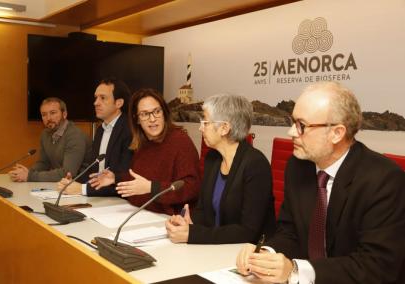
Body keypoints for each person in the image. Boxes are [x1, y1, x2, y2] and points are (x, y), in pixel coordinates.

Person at [236, 82, 405, 284]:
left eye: (302, 125)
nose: (290, 132)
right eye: (292, 122)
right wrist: (266, 254)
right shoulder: (298, 167)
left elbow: (376, 266)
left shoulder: (383, 179)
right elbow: (290, 232)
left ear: (337, 133)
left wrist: (296, 271)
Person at [165, 94, 276, 244]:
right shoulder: (213, 158)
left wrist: (193, 234)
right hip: (215, 248)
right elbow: (204, 210)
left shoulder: (255, 164)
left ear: (224, 128)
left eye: (205, 122)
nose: (200, 128)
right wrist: (188, 222)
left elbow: (248, 232)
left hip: (247, 254)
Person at [89, 88, 201, 215]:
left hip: (168, 219)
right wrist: (116, 178)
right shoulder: (143, 143)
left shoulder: (180, 141)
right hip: (139, 212)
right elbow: (141, 179)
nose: (152, 119)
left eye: (156, 111)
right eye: (144, 114)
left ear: (164, 113)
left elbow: (192, 187)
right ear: (137, 119)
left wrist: (151, 188)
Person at [57, 78, 133, 196]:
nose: (96, 103)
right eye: (96, 97)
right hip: (100, 198)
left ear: (119, 103)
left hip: (119, 202)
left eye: (102, 98)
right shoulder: (100, 130)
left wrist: (82, 189)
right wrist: (72, 182)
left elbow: (122, 179)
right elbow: (94, 172)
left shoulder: (130, 130)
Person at [9, 97, 92, 182]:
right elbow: (44, 163)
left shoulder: (75, 136)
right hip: (61, 186)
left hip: (80, 187)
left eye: (53, 113)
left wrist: (30, 176)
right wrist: (27, 172)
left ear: (64, 114)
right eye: (44, 114)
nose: (48, 118)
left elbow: (68, 173)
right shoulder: (45, 134)